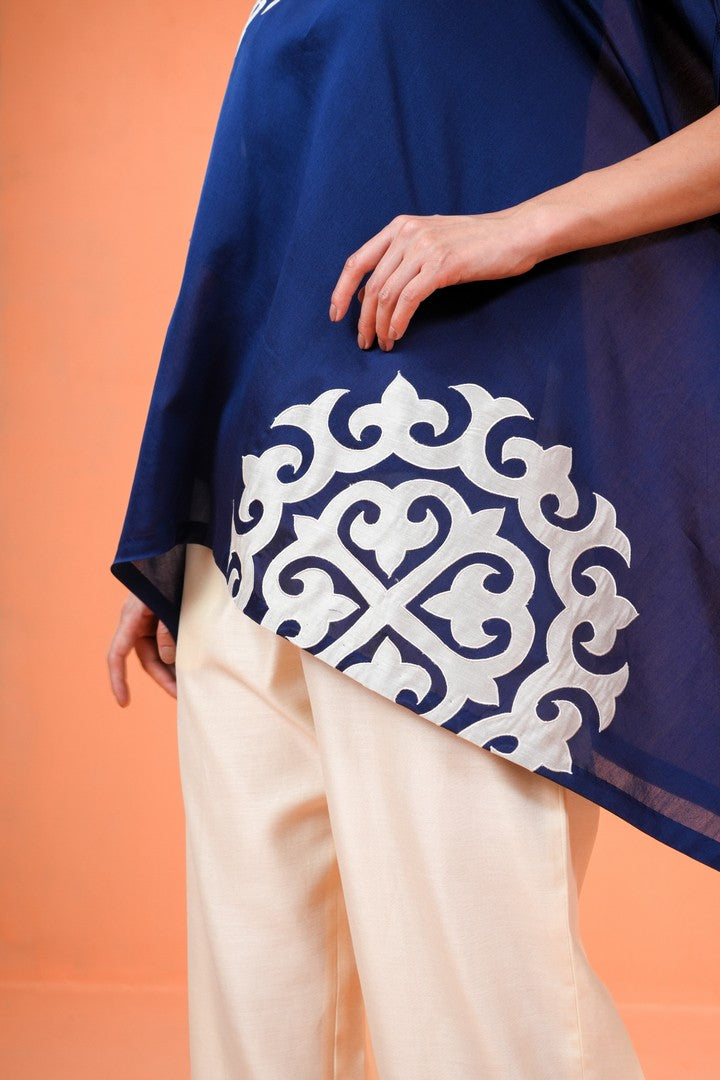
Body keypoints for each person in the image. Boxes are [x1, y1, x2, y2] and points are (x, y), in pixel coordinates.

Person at [108, 2, 720, 1076]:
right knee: (262, 1017)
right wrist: (176, 518)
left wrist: (526, 224)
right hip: (255, 527)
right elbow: (252, 246)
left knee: (474, 1017)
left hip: (460, 512)